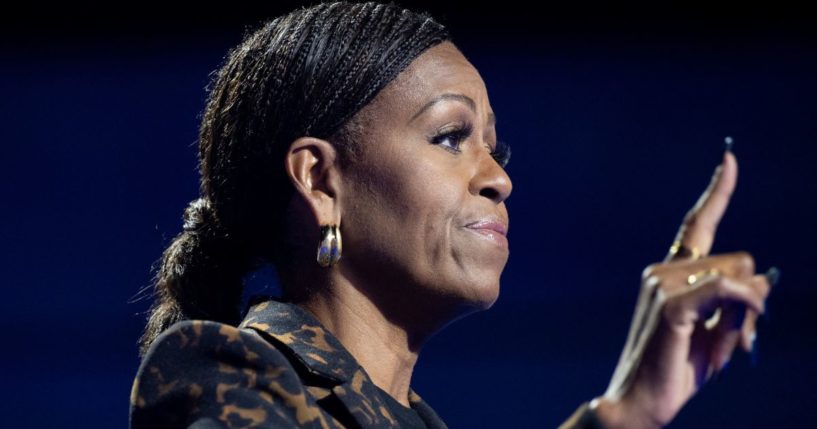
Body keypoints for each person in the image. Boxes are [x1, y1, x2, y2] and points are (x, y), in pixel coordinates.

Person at [128, 2, 777, 428]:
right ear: (321, 180)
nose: (498, 177)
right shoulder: (224, 376)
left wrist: (630, 411)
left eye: (494, 148)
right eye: (449, 137)